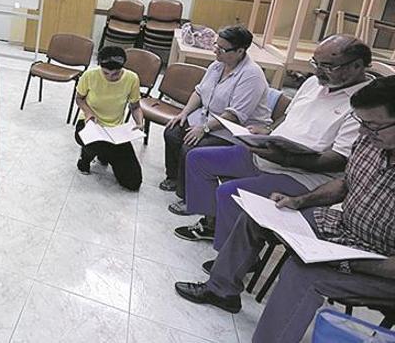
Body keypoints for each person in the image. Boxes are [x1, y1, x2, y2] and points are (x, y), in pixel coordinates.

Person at [174, 76, 395, 343]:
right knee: (257, 216)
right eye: (362, 124)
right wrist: (300, 201)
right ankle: (221, 290)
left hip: (381, 261)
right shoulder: (371, 143)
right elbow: (345, 183)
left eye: (372, 126)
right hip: (344, 229)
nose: (363, 133)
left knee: (303, 272)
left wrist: (345, 261)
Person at [175, 35, 371, 248]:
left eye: (328, 66)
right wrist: (267, 131)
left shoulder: (366, 104)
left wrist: (286, 159)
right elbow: (287, 116)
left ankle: (230, 253)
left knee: (228, 192)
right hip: (273, 153)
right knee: (197, 159)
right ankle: (212, 225)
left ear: (357, 66)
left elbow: (339, 160)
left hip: (303, 174)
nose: (318, 71)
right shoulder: (313, 83)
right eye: (316, 64)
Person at [161, 25, 271, 212]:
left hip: (234, 130)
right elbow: (199, 91)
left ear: (240, 51)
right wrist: (184, 113)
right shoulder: (217, 65)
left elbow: (234, 115)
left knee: (192, 147)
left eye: (222, 48)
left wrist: (203, 129)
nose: (215, 51)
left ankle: (190, 198)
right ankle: (174, 178)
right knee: (172, 132)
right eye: (216, 45)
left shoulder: (252, 75)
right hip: (207, 118)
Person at [73, 45, 144, 190]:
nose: (110, 77)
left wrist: (139, 122)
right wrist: (88, 113)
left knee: (133, 182)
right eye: (106, 73)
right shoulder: (90, 75)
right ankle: (86, 157)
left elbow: (135, 106)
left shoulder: (132, 78)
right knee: (93, 143)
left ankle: (103, 154)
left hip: (115, 130)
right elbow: (79, 99)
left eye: (116, 74)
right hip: (91, 124)